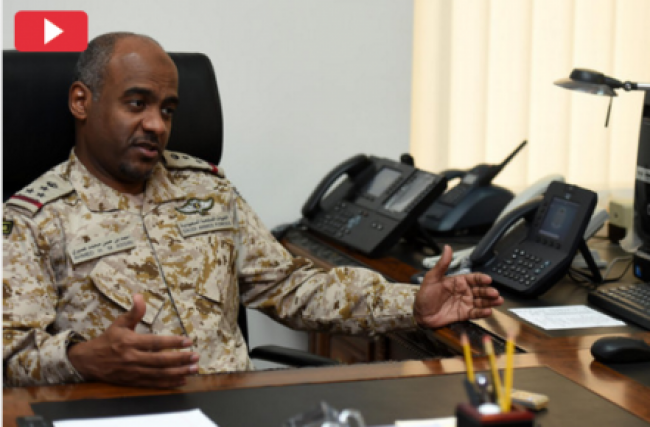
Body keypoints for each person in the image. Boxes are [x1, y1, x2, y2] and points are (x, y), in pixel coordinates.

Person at [2, 32, 503, 389]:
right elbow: (10, 356)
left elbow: (291, 287)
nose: (156, 124)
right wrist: (83, 358)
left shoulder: (207, 190)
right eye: (137, 104)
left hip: (234, 409)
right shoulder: (31, 219)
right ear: (81, 101)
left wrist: (412, 305)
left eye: (168, 109)